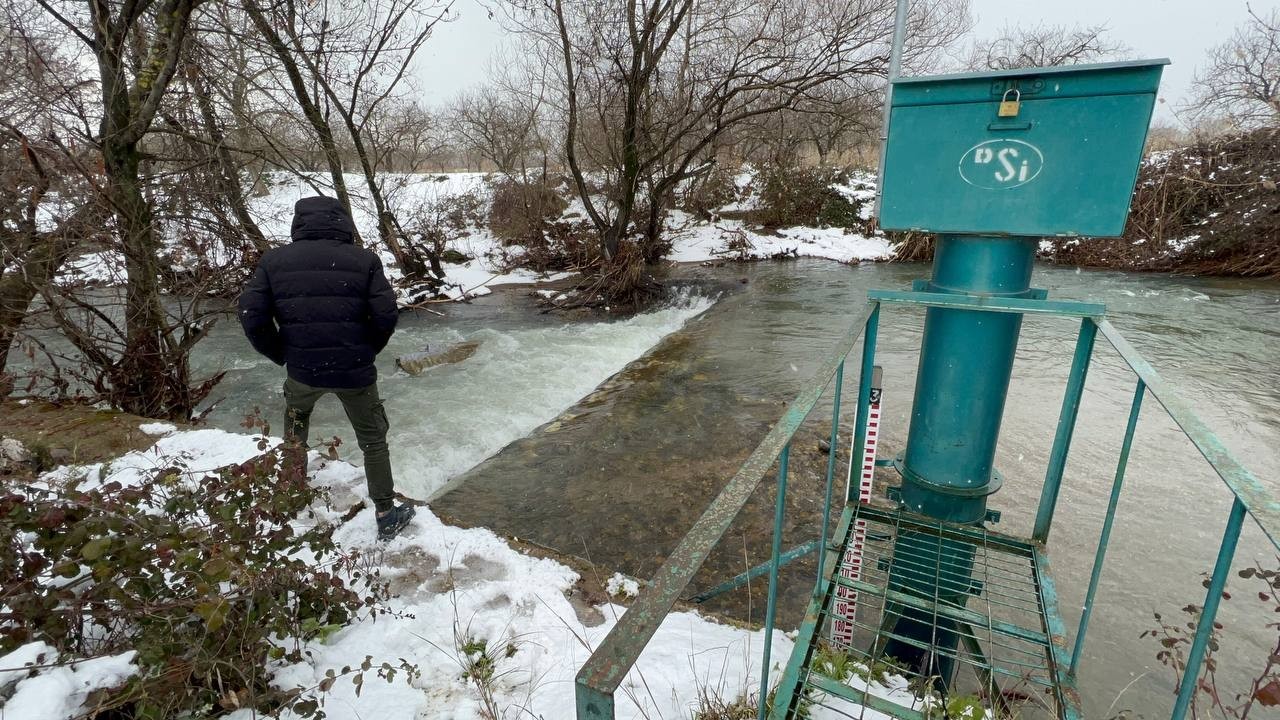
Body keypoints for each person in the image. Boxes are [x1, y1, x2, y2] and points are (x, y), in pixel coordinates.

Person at [238, 195, 415, 541]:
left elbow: (251, 316)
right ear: (342, 222)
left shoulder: (274, 262)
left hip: (303, 370)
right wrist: (366, 350)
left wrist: (282, 353)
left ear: (298, 223)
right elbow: (386, 315)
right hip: (355, 371)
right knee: (373, 440)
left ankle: (290, 496)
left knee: (294, 434)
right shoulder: (364, 260)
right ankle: (385, 513)